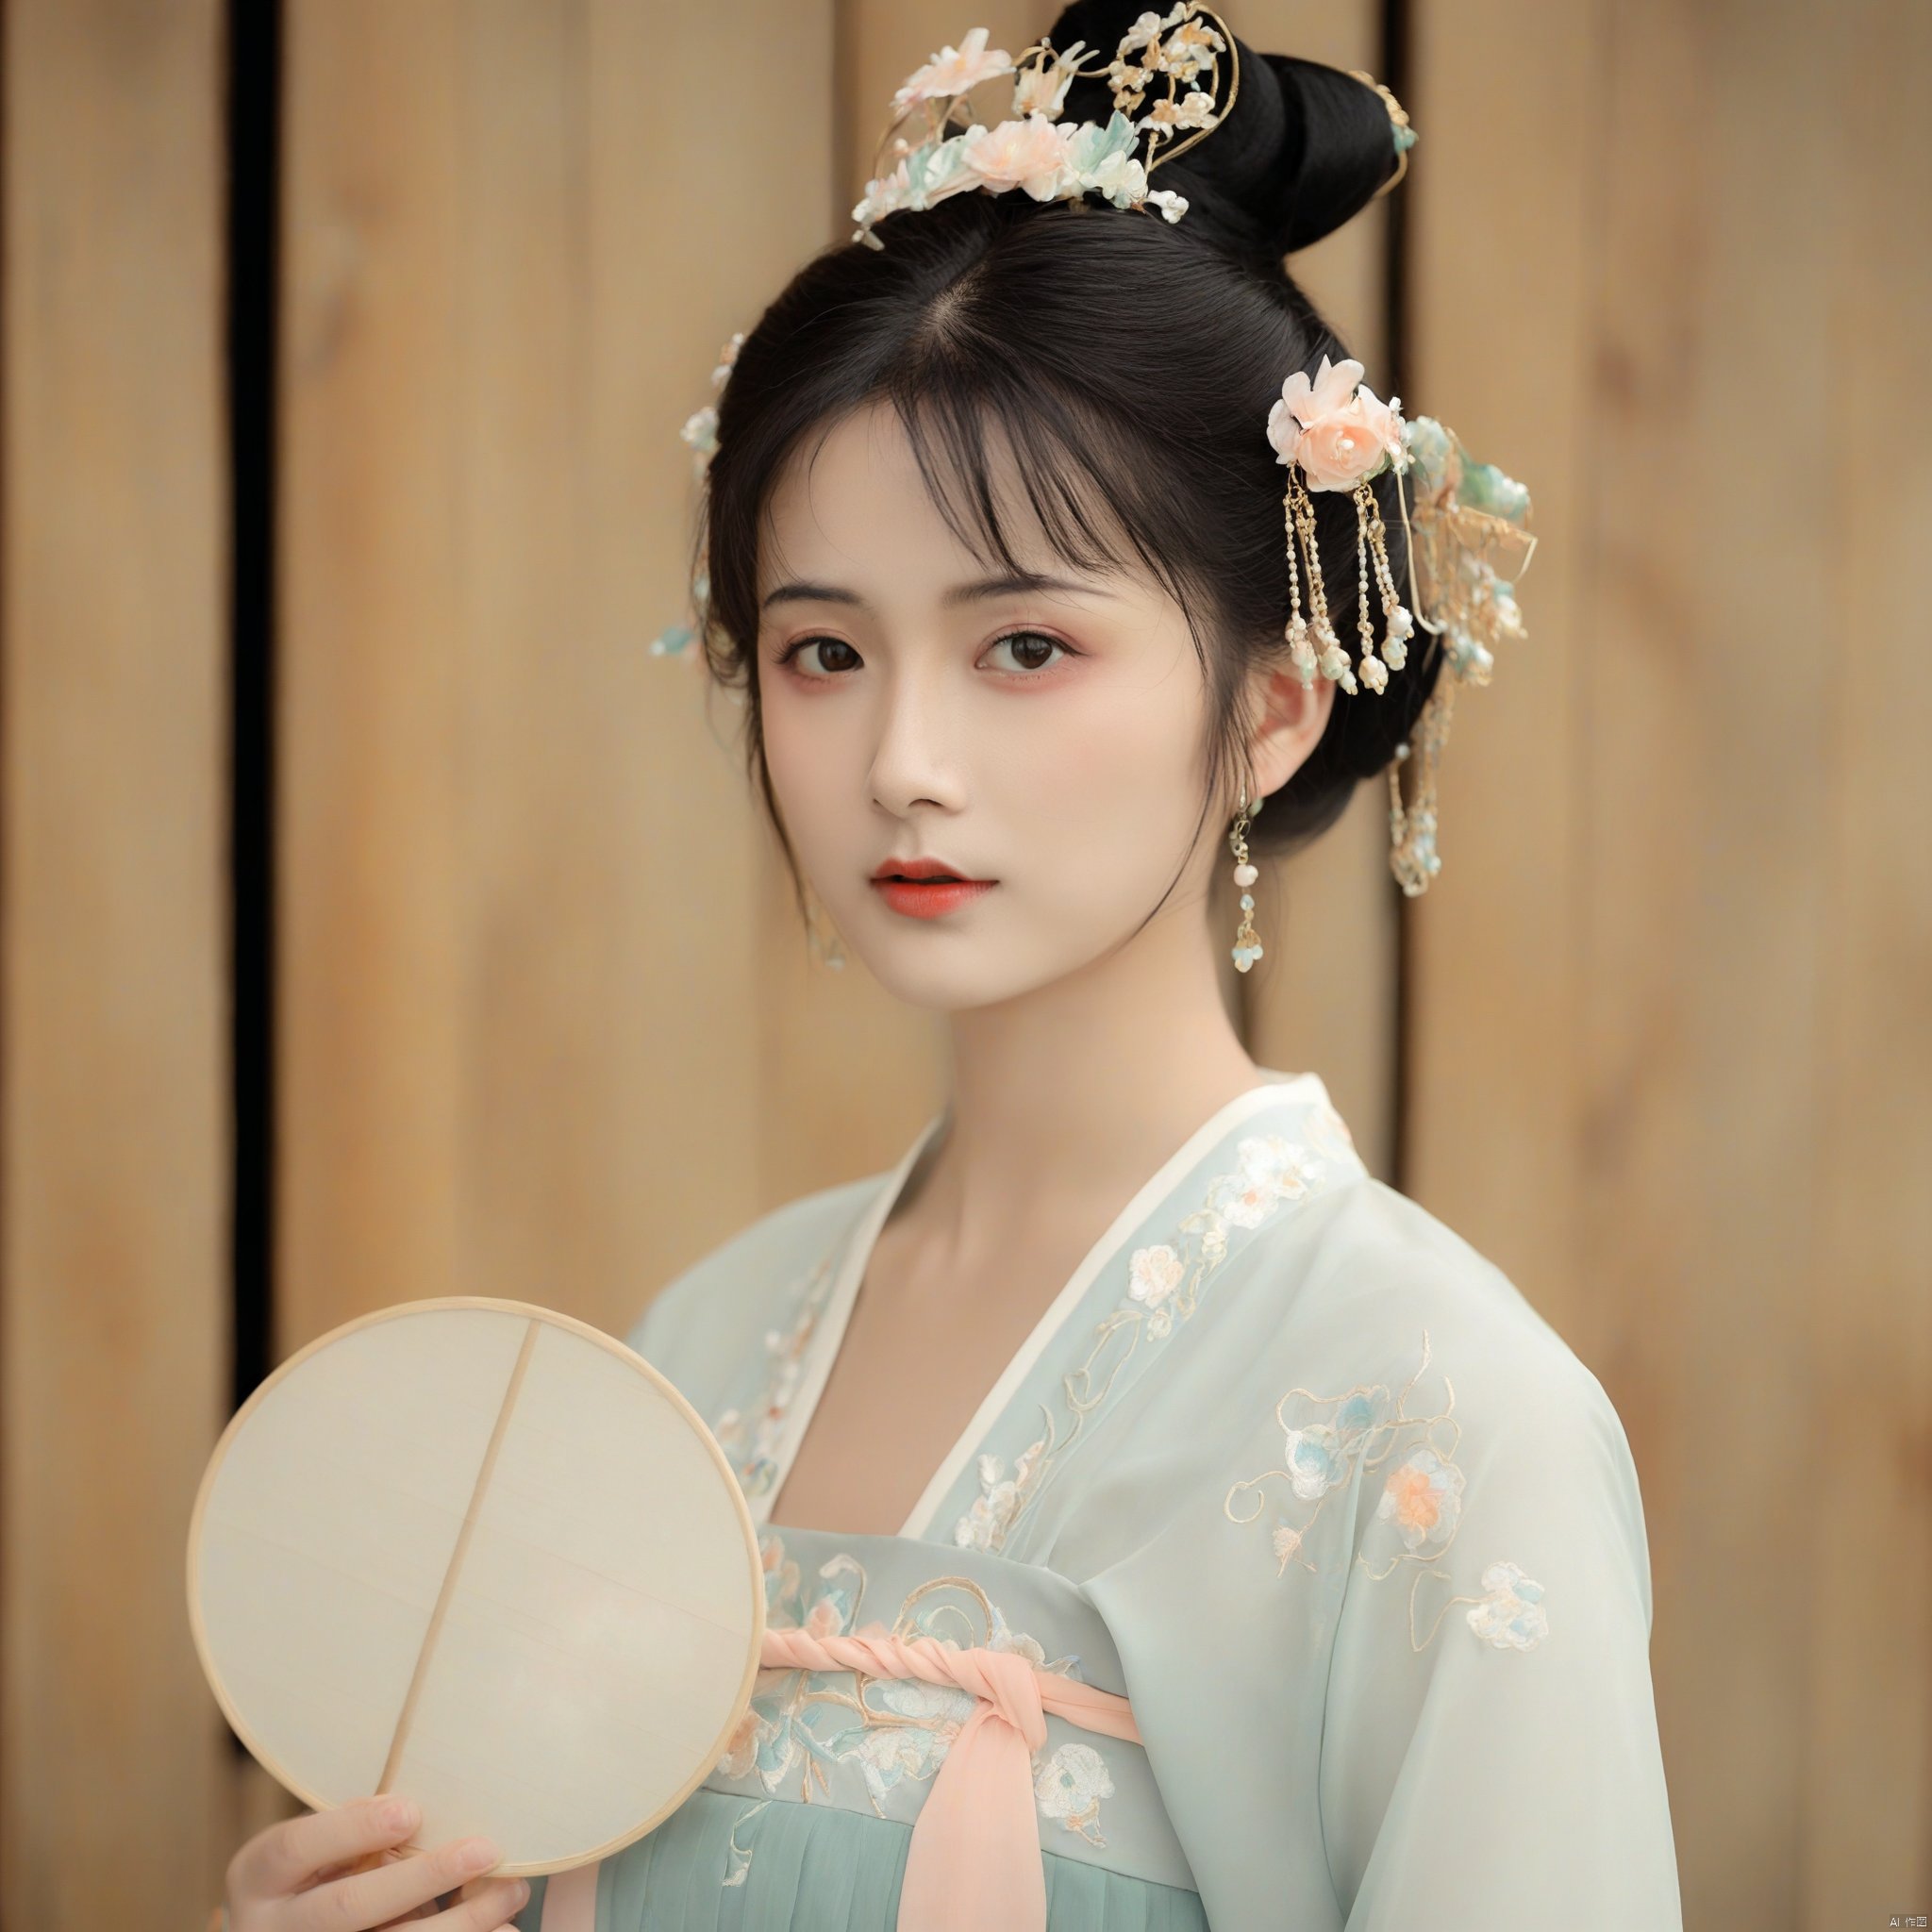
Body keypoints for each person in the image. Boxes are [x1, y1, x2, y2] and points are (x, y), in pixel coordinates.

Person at [219, 5, 1680, 1928]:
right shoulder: (705, 1341)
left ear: (1268, 705)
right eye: (824, 650)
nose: (900, 756)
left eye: (1022, 648)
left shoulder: (1439, 1411)